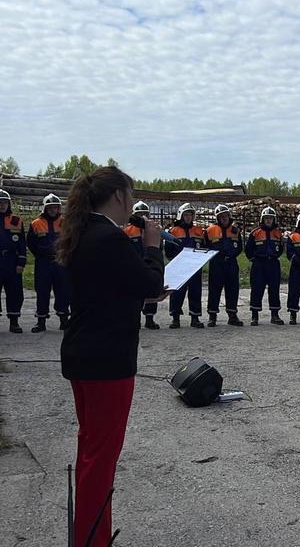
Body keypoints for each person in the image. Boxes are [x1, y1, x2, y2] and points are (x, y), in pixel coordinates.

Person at [57, 166, 165, 547]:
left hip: (84, 353)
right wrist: (152, 246)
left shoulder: (86, 232)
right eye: (131, 195)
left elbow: (116, 287)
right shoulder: (109, 237)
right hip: (107, 361)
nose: (134, 203)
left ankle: (89, 533)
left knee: (91, 451)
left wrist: (143, 288)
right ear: (118, 195)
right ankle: (91, 539)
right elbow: (149, 280)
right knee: (100, 459)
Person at [26, 193, 71, 333]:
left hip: (61, 262)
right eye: (50, 207)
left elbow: (71, 240)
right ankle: (41, 321)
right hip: (43, 263)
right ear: (45, 208)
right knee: (42, 291)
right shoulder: (36, 223)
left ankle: (64, 320)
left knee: (63, 291)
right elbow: (31, 243)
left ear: (59, 208)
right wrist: (41, 254)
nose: (53, 210)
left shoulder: (65, 223)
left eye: (55, 207)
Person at [165, 203, 206, 329]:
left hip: (194, 268)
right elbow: (168, 251)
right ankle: (175, 319)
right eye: (186, 215)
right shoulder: (173, 231)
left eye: (190, 215)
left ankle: (195, 318)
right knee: (177, 293)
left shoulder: (199, 231)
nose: (188, 217)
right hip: (180, 268)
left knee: (195, 292)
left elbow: (204, 247)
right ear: (181, 216)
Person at [123, 201, 161, 330]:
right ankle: (135, 319)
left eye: (145, 214)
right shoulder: (127, 231)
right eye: (139, 214)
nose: (143, 217)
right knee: (134, 294)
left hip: (148, 263)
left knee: (151, 291)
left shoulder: (153, 229)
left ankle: (150, 319)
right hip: (134, 265)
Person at [205, 204, 243, 327]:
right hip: (217, 264)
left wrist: (231, 255)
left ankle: (232, 315)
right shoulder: (210, 230)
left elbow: (239, 247)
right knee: (214, 290)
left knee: (232, 289)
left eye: (225, 215)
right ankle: (212, 316)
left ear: (229, 215)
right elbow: (206, 246)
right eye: (220, 216)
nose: (223, 218)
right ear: (217, 218)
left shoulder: (235, 230)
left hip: (231, 263)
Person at [245, 206, 284, 326]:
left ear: (274, 220)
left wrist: (275, 255)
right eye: (266, 218)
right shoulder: (255, 233)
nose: (268, 220)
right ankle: (254, 316)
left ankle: (275, 315)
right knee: (257, 289)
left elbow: (281, 249)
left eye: (270, 218)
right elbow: (248, 250)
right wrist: (254, 259)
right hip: (259, 264)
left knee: (274, 290)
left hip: (273, 263)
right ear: (262, 219)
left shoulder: (278, 233)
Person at [0, 189, 26, 333]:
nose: (2, 205)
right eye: (0, 202)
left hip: (11, 261)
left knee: (15, 292)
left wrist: (21, 262)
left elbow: (22, 243)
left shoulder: (16, 220)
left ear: (9, 204)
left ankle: (14, 322)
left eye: (4, 202)